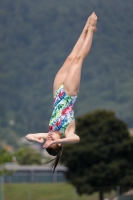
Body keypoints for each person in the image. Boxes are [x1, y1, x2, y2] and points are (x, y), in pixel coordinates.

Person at [26, 12, 98, 172]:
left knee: (70, 57)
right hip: (69, 93)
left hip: (57, 92)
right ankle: (91, 30)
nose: (50, 138)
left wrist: (37, 139)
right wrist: (59, 142)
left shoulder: (50, 133)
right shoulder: (67, 132)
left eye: (49, 140)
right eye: (53, 141)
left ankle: (85, 28)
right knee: (78, 59)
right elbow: (76, 139)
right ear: (59, 143)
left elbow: (28, 136)